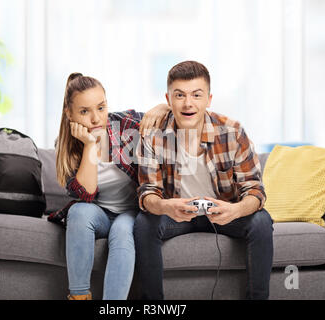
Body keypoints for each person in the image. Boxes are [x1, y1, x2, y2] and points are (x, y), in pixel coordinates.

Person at [134, 61, 274, 300]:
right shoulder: (152, 135)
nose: (188, 103)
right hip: (177, 214)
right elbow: (147, 192)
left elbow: (255, 190)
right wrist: (166, 206)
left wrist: (235, 210)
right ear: (168, 99)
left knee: (261, 221)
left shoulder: (232, 132)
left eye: (196, 95)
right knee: (144, 223)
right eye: (180, 95)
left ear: (208, 99)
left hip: (223, 213)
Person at [55, 72, 169, 300]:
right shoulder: (67, 148)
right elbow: (86, 195)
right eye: (84, 112)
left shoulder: (126, 124)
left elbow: (173, 115)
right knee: (78, 211)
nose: (96, 119)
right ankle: (78, 296)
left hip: (132, 212)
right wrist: (89, 146)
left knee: (122, 230)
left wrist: (161, 108)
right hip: (99, 214)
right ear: (69, 114)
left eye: (101, 107)